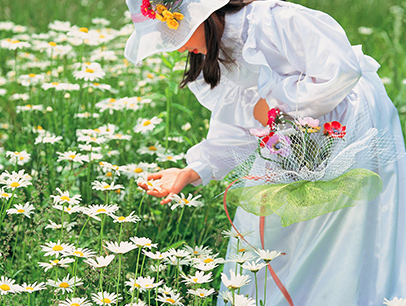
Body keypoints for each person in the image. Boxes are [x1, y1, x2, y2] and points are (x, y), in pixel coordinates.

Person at [125, 0, 406, 305]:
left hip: (347, 126)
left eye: (173, 35)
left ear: (200, 16)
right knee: (274, 232)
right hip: (292, 136)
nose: (176, 49)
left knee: (344, 228)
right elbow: (237, 121)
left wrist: (274, 99)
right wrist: (193, 170)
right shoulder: (222, 48)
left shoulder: (272, 21)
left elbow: (340, 72)